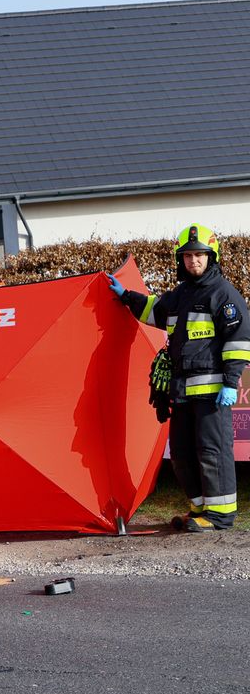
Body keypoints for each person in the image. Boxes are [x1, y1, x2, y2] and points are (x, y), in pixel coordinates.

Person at [108, 223, 250, 531]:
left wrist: (229, 383)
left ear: (211, 258)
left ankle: (220, 516)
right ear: (180, 259)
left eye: (200, 255)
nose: (193, 261)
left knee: (213, 452)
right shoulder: (181, 294)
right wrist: (125, 296)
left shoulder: (223, 294)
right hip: (183, 391)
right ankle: (199, 511)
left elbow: (238, 342)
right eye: (187, 256)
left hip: (213, 394)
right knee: (183, 454)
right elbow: (154, 310)